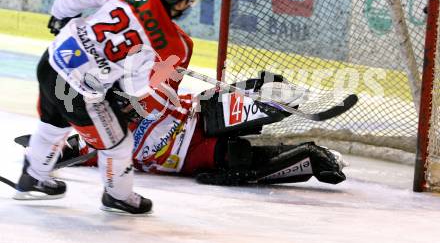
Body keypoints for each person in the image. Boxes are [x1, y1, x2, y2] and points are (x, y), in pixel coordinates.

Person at [14, 0, 201, 215]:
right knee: (118, 144)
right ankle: (119, 196)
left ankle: (33, 177)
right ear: (181, 1)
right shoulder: (172, 44)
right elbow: (146, 88)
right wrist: (127, 102)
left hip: (53, 60)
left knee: (53, 123)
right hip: (81, 92)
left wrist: (60, 14)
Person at [48, 71, 347, 187]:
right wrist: (47, 156)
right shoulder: (104, 136)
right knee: (238, 158)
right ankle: (312, 157)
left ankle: (286, 94)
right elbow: (76, 148)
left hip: (201, 114)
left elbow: (167, 66)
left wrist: (166, 66)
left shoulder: (142, 89)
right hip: (193, 155)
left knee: (257, 100)